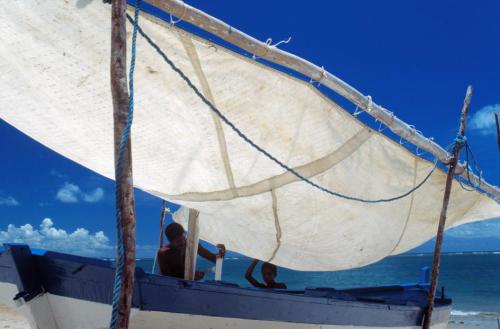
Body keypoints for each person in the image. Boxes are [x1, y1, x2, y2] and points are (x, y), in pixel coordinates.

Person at [157, 222, 225, 280]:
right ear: (170, 241)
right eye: (178, 241)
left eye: (183, 238)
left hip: (187, 284)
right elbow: (166, 278)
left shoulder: (191, 244)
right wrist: (191, 276)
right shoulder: (163, 253)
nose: (183, 242)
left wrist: (221, 253)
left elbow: (214, 259)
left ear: (184, 234)